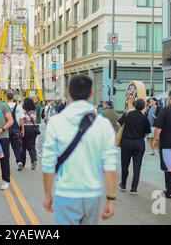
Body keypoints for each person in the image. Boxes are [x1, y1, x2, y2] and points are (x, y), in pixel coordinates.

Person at [42, 75, 117, 225]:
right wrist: (110, 199)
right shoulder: (103, 125)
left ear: (68, 93)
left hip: (65, 193)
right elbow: (110, 166)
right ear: (91, 94)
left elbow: (48, 164)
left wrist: (48, 195)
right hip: (92, 194)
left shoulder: (55, 122)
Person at [117, 98, 151, 195]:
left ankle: (123, 184)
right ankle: (134, 188)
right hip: (139, 143)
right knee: (137, 166)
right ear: (143, 107)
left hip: (126, 142)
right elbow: (147, 132)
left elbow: (118, 123)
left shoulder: (128, 114)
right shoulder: (144, 117)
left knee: (125, 164)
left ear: (134, 105)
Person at [6, 92, 25, 171]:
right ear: (13, 97)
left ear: (6, 97)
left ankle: (6, 163)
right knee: (16, 147)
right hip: (16, 129)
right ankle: (19, 162)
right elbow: (21, 119)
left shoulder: (4, 106)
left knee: (6, 148)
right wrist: (23, 129)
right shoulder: (19, 106)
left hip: (6, 129)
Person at [21, 98, 39, 170]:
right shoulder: (34, 111)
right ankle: (34, 159)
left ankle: (22, 163)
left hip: (25, 129)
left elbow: (21, 120)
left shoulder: (23, 111)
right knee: (31, 146)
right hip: (33, 129)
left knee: (23, 147)